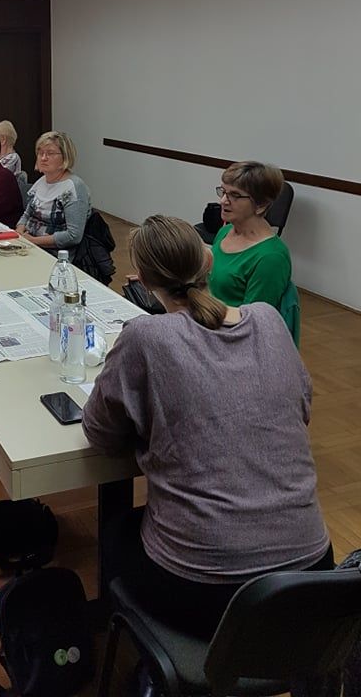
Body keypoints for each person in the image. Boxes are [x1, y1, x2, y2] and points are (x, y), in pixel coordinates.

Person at [83, 214, 332, 639]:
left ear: (143, 279)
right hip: (313, 577)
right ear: (209, 263)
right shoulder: (268, 320)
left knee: (114, 533)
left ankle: (135, 652)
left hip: (208, 592)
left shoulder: (145, 336)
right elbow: (301, 407)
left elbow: (100, 434)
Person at [208, 160, 292, 310]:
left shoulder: (271, 257)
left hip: (226, 323)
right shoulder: (225, 231)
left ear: (261, 205)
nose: (223, 201)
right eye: (223, 192)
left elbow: (254, 319)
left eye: (235, 195)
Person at [16, 131, 91, 256]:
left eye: (50, 153)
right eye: (40, 153)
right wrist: (19, 232)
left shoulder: (74, 188)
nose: (43, 158)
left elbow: (73, 235)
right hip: (28, 245)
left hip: (54, 254)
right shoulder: (41, 181)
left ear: (65, 157)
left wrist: (34, 241)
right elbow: (27, 214)